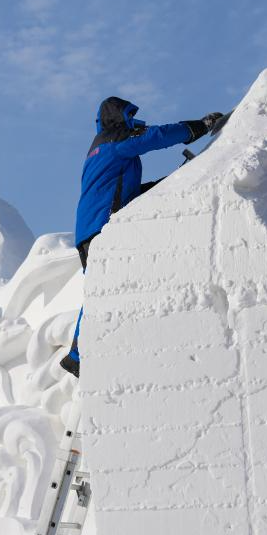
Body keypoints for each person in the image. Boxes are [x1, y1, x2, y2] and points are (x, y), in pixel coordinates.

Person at [59, 97, 224, 376]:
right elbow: (157, 136)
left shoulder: (99, 149)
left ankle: (79, 355)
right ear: (117, 117)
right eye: (129, 114)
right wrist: (199, 127)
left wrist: (169, 182)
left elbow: (125, 194)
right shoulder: (115, 139)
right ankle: (79, 356)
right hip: (101, 227)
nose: (133, 119)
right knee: (102, 288)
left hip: (91, 227)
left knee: (99, 288)